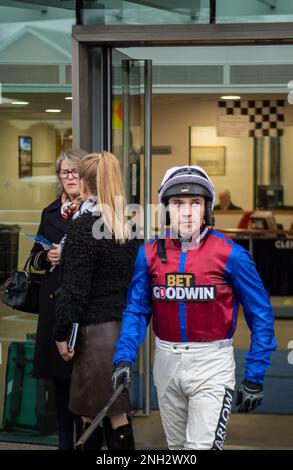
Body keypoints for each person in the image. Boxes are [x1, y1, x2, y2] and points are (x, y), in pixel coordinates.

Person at [112, 165, 276, 450]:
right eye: (177, 204)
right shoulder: (148, 253)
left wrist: (255, 374)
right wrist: (124, 356)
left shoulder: (232, 255)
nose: (186, 212)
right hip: (165, 361)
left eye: (195, 203)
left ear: (206, 209)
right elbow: (137, 310)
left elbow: (261, 315)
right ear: (166, 209)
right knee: (177, 450)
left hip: (212, 364)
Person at [54, 151, 139, 450]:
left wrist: (61, 332)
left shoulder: (83, 225)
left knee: (91, 415)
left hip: (92, 334)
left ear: (86, 182)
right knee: (117, 413)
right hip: (119, 331)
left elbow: (75, 289)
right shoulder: (127, 226)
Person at [30, 148, 87, 449]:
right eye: (64, 172)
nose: (69, 178)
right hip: (55, 308)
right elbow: (34, 261)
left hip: (86, 313)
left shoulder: (99, 212)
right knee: (62, 390)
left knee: (88, 391)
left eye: (75, 172)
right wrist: (47, 255)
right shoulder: (50, 212)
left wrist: (71, 254)